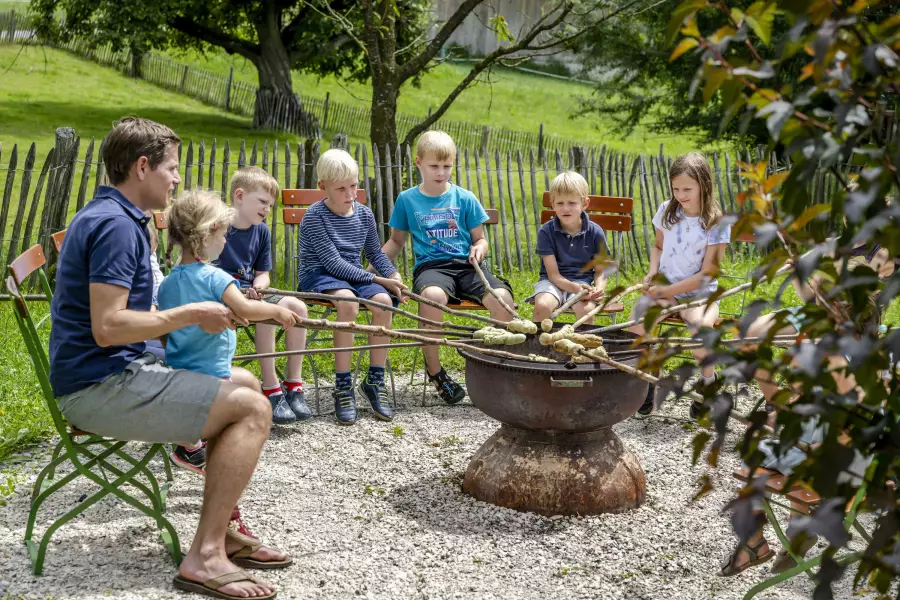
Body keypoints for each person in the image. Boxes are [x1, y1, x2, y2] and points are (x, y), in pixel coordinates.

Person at [49, 117, 288, 599]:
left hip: (110, 373)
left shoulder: (117, 218)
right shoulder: (116, 227)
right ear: (142, 167)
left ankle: (219, 533)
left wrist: (179, 321)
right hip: (100, 386)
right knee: (253, 407)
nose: (177, 179)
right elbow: (109, 326)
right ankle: (204, 557)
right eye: (171, 169)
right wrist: (190, 313)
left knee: (240, 379)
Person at [379, 130, 514, 403]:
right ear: (418, 163)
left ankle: (491, 369)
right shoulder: (407, 200)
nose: (441, 172)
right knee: (433, 297)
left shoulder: (464, 197)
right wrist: (369, 272)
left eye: (447, 166)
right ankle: (436, 372)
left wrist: (479, 249)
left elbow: (480, 239)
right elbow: (395, 241)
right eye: (434, 166)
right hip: (432, 267)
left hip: (466, 265)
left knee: (503, 300)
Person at [298, 149, 407, 425]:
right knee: (348, 302)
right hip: (319, 275)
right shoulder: (314, 217)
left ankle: (374, 381)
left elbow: (375, 253)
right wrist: (377, 279)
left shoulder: (364, 214)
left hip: (354, 275)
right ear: (323, 187)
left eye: (354, 186)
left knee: (383, 302)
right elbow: (333, 264)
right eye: (341, 189)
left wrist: (393, 275)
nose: (350, 194)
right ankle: (343, 385)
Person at [632, 151, 731, 417]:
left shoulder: (715, 222)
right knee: (638, 322)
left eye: (687, 189)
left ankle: (707, 383)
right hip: (666, 289)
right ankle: (651, 381)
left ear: (704, 185)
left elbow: (709, 272)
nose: (680, 195)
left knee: (701, 333)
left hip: (699, 294)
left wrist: (670, 291)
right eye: (676, 188)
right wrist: (653, 274)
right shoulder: (667, 211)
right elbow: (658, 246)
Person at [214, 166, 310, 425]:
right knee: (267, 315)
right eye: (263, 202)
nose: (267, 210)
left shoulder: (262, 231)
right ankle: (271, 388)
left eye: (270, 205)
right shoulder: (218, 226)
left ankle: (294, 386)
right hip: (221, 296)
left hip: (252, 295)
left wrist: (259, 285)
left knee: (298, 308)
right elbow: (205, 269)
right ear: (239, 196)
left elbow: (263, 273)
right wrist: (238, 291)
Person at [528, 171, 609, 324]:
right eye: (560, 203)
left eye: (572, 203)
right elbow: (553, 275)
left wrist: (599, 288)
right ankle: (539, 345)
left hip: (582, 282)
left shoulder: (595, 232)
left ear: (584, 204)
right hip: (552, 283)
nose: (565, 209)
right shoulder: (546, 232)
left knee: (586, 311)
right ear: (552, 204)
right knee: (542, 306)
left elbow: (600, 271)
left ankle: (582, 345)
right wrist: (575, 289)